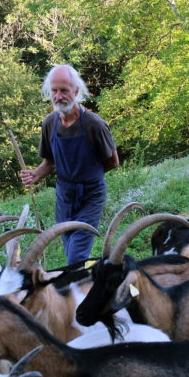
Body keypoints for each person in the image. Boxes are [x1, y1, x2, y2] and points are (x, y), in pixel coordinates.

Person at [21, 64, 119, 264]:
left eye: (64, 90)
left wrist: (88, 177)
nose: (58, 96)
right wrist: (36, 174)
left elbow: (113, 161)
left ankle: (81, 291)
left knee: (76, 255)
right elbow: (49, 161)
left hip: (91, 196)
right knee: (69, 250)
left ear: (76, 91)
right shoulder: (49, 123)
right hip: (64, 196)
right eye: (54, 91)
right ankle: (83, 283)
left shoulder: (94, 124)